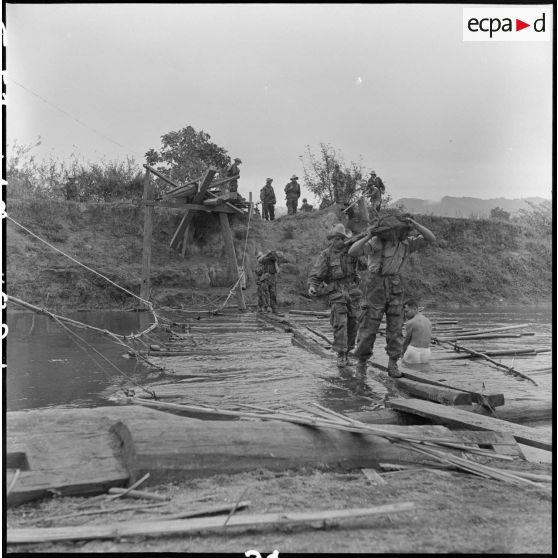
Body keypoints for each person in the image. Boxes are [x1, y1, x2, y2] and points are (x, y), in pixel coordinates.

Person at [348, 213, 436, 377]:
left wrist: (415, 224)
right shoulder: (377, 242)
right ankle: (361, 363)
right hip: (375, 285)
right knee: (368, 327)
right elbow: (353, 252)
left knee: (395, 328)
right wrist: (368, 235)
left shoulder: (407, 243)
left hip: (395, 284)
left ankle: (393, 364)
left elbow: (431, 238)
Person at [308, 224, 361, 368]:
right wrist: (313, 286)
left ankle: (348, 351)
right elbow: (317, 273)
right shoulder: (326, 254)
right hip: (337, 293)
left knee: (353, 323)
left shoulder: (352, 251)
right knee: (340, 323)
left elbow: (364, 264)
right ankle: (341, 355)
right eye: (336, 238)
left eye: (341, 238)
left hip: (352, 291)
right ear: (332, 240)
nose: (339, 241)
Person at [401, 299, 432, 364]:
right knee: (422, 371)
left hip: (413, 351)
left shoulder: (411, 322)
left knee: (403, 366)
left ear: (415, 309)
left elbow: (407, 341)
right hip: (426, 351)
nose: (405, 314)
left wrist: (402, 354)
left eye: (407, 311)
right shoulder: (428, 321)